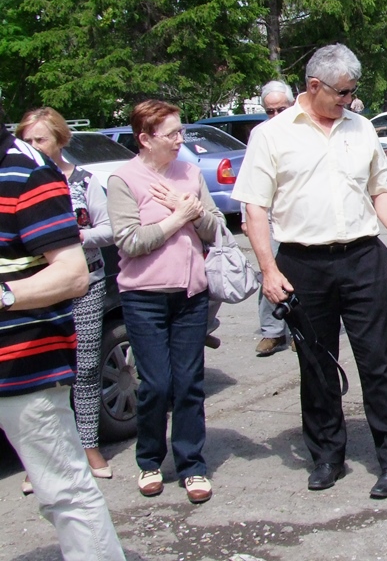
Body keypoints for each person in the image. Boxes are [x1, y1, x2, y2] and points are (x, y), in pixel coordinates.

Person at [232, 43, 387, 498]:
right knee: (316, 365)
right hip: (302, 263)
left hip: (362, 258)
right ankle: (326, 457)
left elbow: (382, 188)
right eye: (342, 92)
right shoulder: (272, 135)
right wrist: (267, 270)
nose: (349, 100)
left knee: (378, 362)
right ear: (313, 86)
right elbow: (254, 209)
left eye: (353, 91)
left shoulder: (361, 129)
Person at [0, 115, 125, 560]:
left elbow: (72, 275)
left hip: (20, 365)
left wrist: (5, 294)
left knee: (63, 491)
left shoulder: (26, 171)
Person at [106, 100, 223, 504]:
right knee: (156, 384)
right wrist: (175, 218)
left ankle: (192, 465)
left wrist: (189, 212)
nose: (180, 141)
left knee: (189, 383)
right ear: (145, 138)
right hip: (144, 297)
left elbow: (214, 228)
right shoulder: (124, 180)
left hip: (191, 294)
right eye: (171, 134)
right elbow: (130, 241)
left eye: (181, 132)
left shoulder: (189, 173)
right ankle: (150, 460)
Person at [16, 108, 114, 494]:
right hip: (35, 289)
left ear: (60, 141)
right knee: (42, 375)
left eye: (40, 140)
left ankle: (89, 446)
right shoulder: (17, 182)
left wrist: (74, 237)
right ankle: (40, 460)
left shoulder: (84, 181)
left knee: (86, 369)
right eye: (27, 140)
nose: (33, 147)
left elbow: (108, 230)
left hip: (84, 283)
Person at [240, 80, 295, 357]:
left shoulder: (304, 129)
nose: (275, 116)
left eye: (281, 109)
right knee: (270, 272)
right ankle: (272, 332)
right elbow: (250, 181)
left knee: (302, 274)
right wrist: (245, 217)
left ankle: (300, 330)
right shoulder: (260, 134)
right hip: (268, 218)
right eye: (270, 111)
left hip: (298, 216)